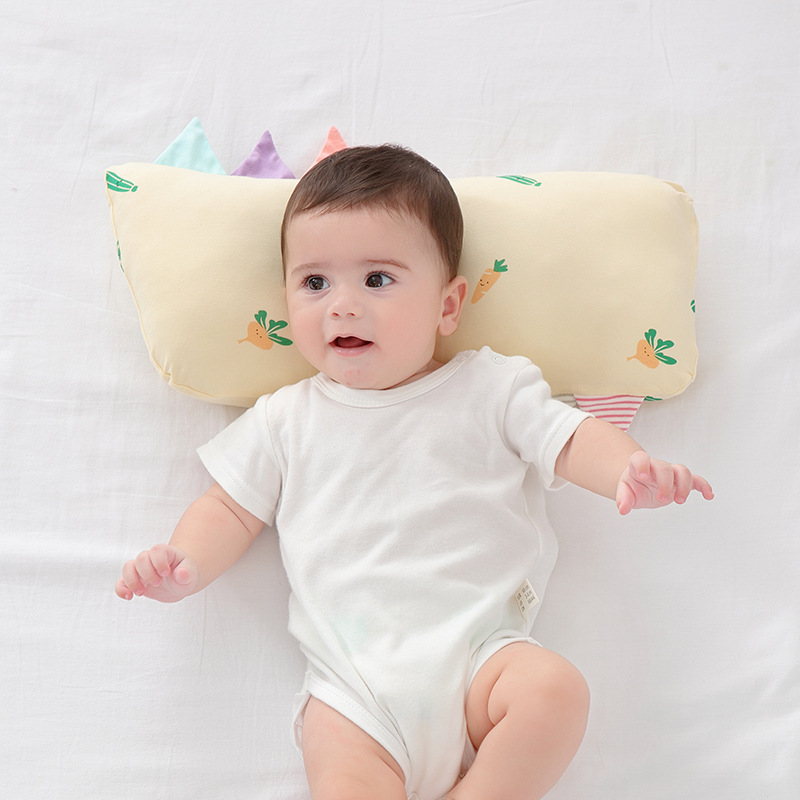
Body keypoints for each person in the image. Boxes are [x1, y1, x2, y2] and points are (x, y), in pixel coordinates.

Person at [116, 144, 713, 800]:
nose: (342, 305)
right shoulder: (284, 419)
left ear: (448, 306)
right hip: (355, 692)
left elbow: (569, 439)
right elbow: (229, 508)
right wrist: (185, 564)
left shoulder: (491, 387)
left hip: (482, 659)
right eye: (315, 283)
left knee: (555, 691)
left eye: (377, 280)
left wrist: (627, 467)